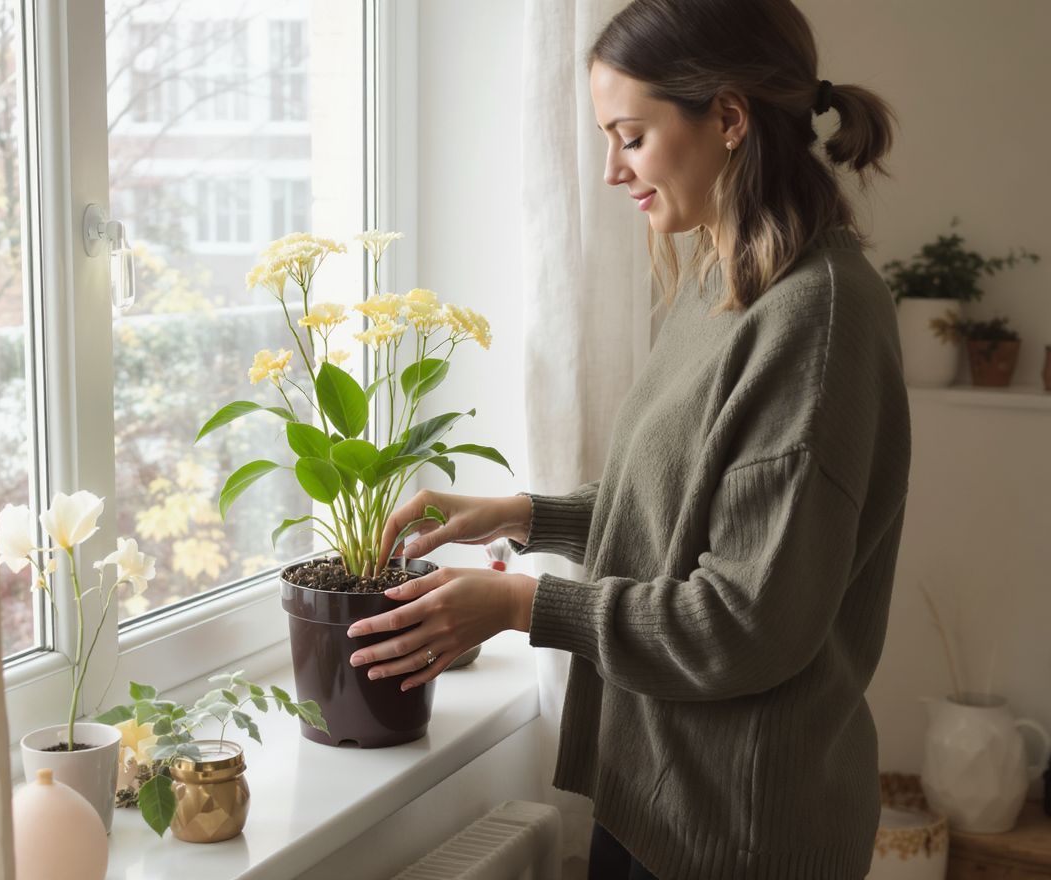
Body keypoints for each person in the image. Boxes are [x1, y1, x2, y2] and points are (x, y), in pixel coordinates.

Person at [345, 0, 909, 877]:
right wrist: (525, 515)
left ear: (729, 117)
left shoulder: (815, 320)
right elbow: (695, 508)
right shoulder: (728, 276)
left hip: (740, 834)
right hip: (659, 796)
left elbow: (744, 622)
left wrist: (522, 607)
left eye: (632, 137)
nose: (612, 170)